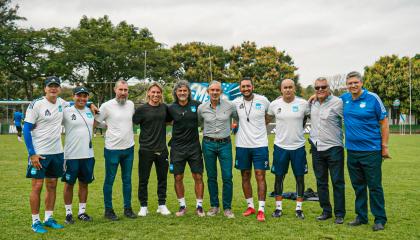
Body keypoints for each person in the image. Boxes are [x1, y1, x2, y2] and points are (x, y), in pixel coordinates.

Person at [342, 71, 390, 231]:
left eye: (356, 82)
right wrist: (314, 96)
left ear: (361, 83)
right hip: (352, 151)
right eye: (350, 83)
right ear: (347, 85)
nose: (353, 85)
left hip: (371, 151)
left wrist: (384, 146)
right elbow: (327, 98)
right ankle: (361, 217)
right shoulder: (345, 99)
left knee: (374, 186)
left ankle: (380, 219)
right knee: (358, 186)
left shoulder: (373, 98)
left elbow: (384, 122)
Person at [23, 76, 66, 233]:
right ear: (45, 88)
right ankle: (35, 221)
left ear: (59, 89)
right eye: (50, 86)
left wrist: (91, 104)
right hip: (40, 153)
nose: (53, 89)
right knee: (37, 185)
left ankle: (49, 218)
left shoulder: (62, 103)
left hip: (57, 153)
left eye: (56, 86)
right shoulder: (37, 104)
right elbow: (26, 129)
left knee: (52, 184)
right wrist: (32, 154)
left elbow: (78, 104)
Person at [267, 79, 310, 220]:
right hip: (280, 147)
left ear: (294, 88)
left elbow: (309, 117)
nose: (288, 90)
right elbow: (265, 120)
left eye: (290, 87)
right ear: (281, 89)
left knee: (300, 178)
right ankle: (278, 208)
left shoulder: (303, 104)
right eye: (285, 87)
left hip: (298, 147)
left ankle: (299, 209)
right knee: (279, 177)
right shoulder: (274, 104)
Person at [95, 79, 137, 220]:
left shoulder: (131, 104)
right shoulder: (107, 106)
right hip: (112, 149)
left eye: (126, 90)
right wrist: (106, 126)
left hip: (129, 149)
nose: (123, 93)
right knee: (110, 180)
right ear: (115, 90)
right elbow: (95, 122)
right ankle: (108, 210)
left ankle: (128, 209)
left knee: (127, 180)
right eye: (121, 90)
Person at [232, 77, 270, 222]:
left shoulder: (263, 100)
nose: (246, 89)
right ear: (240, 88)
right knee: (245, 176)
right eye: (243, 87)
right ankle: (250, 206)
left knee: (260, 175)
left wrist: (259, 127)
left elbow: (270, 114)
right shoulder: (235, 102)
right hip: (242, 145)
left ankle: (261, 209)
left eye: (248, 86)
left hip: (260, 145)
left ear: (252, 87)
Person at [198, 80, 237, 218]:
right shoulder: (201, 108)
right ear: (208, 92)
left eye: (217, 90)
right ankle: (214, 206)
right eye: (212, 90)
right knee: (211, 177)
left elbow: (237, 119)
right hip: (208, 144)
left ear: (221, 92)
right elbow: (199, 123)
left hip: (225, 144)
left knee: (227, 176)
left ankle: (227, 208)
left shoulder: (230, 106)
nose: (215, 92)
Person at [309, 77, 345, 224]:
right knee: (321, 182)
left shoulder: (339, 102)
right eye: (317, 88)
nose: (320, 90)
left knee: (337, 181)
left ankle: (339, 214)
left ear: (328, 88)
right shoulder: (311, 103)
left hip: (334, 148)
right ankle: (326, 211)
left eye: (323, 87)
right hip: (317, 147)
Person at [133, 83, 171, 217]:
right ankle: (143, 206)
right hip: (145, 149)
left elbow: (171, 120)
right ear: (148, 93)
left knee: (162, 179)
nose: (156, 95)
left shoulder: (165, 108)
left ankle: (162, 205)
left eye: (158, 92)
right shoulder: (141, 110)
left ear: (161, 94)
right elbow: (131, 122)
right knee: (143, 179)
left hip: (162, 149)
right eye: (153, 92)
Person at [168, 80, 205, 217]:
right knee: (178, 176)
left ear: (189, 92)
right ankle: (182, 206)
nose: (182, 93)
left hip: (194, 147)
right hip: (177, 148)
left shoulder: (197, 105)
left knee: (198, 176)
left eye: (185, 91)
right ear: (176, 93)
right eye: (180, 91)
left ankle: (199, 206)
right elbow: (164, 119)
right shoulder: (170, 108)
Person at [62, 86, 95, 224]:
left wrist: (90, 105)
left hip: (88, 155)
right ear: (73, 96)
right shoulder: (66, 111)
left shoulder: (91, 111)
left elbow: (102, 123)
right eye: (79, 95)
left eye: (85, 96)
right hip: (71, 155)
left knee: (84, 183)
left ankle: (82, 212)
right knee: (69, 184)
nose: (82, 98)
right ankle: (68, 213)